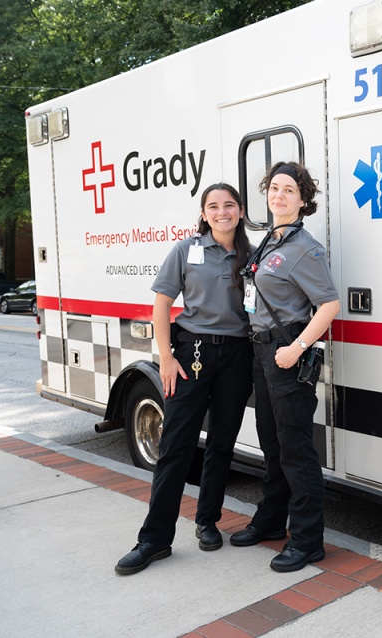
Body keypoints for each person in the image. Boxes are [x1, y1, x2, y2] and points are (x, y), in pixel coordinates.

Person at [115, 183, 253, 575]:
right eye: (214, 206)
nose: (222, 211)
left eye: (229, 205)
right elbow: (161, 304)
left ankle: (207, 521)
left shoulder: (251, 256)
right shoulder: (185, 250)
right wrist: (165, 358)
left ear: (240, 211)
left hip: (238, 356)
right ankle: (154, 539)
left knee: (223, 443)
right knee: (176, 445)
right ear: (204, 213)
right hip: (192, 354)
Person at [229, 161, 339, 573]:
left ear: (303, 199)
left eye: (289, 190)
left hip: (286, 354)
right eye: (274, 188)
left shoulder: (304, 248)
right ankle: (272, 520)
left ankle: (308, 540)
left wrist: (297, 347)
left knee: (296, 450)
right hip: (262, 354)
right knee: (271, 444)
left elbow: (329, 304)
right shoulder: (269, 242)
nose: (279, 195)